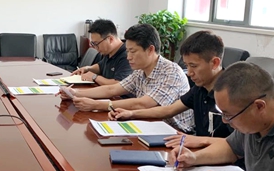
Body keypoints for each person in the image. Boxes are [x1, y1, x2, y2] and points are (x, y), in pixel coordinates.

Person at [59, 23, 193, 131]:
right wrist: (75, 92)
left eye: (133, 51)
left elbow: (143, 104)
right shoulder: (140, 71)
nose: (128, 57)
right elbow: (112, 89)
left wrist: (97, 105)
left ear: (150, 50)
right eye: (127, 51)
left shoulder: (171, 72)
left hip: (175, 133)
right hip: (147, 125)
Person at [110, 30, 230, 146]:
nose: (189, 73)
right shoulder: (200, 88)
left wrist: (198, 140)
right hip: (198, 149)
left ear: (214, 63)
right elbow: (169, 110)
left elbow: (235, 144)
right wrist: (131, 113)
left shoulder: (231, 92)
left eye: (193, 66)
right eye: (187, 66)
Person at [71, 19, 132, 85]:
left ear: (110, 39)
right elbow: (100, 66)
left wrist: (94, 77)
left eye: (96, 43)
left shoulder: (127, 56)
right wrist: (87, 69)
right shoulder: (108, 52)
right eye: (93, 44)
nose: (95, 48)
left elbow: (119, 85)